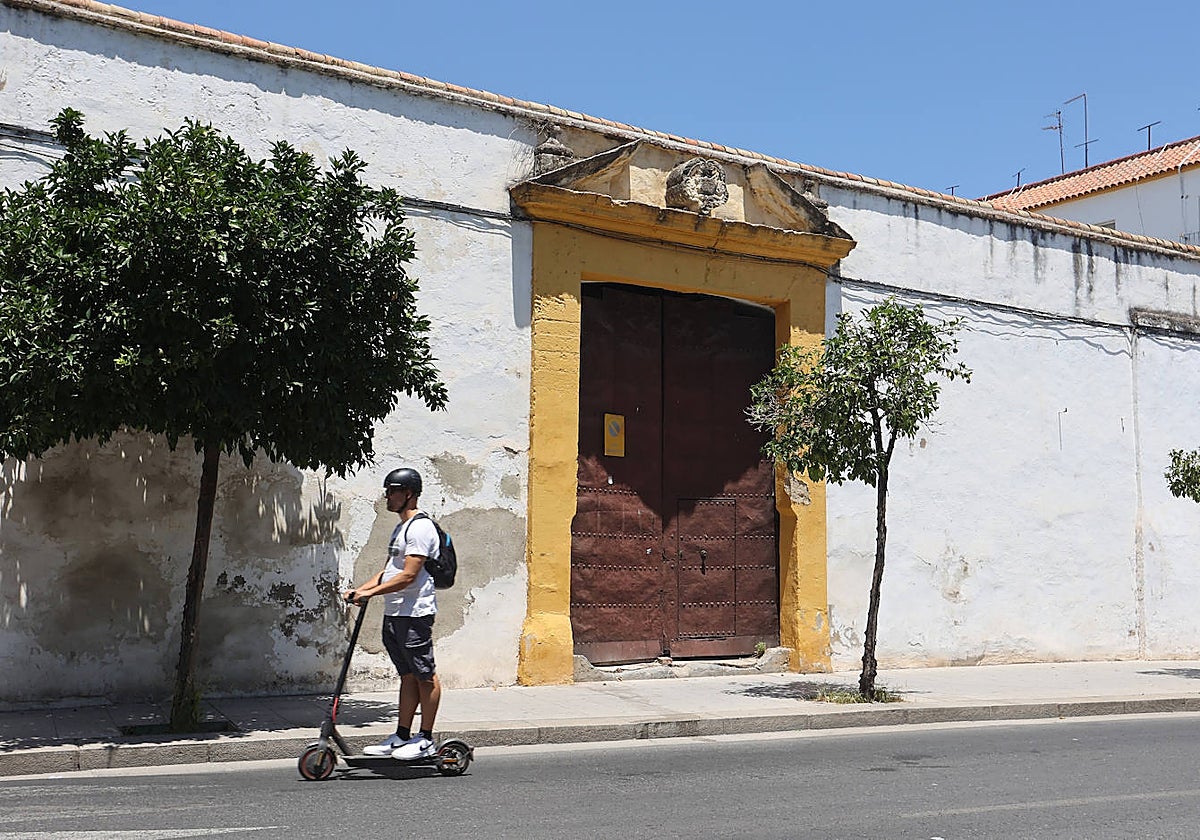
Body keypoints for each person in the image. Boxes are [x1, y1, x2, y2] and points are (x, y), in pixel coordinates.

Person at [344, 467, 441, 760]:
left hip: (415, 613)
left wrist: (370, 594)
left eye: (393, 491)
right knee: (408, 675)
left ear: (409, 494)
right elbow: (390, 572)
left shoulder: (421, 528)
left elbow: (409, 576)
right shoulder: (401, 527)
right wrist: (359, 590)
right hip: (396, 612)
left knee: (425, 675)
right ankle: (401, 736)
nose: (388, 496)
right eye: (388, 490)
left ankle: (425, 739)